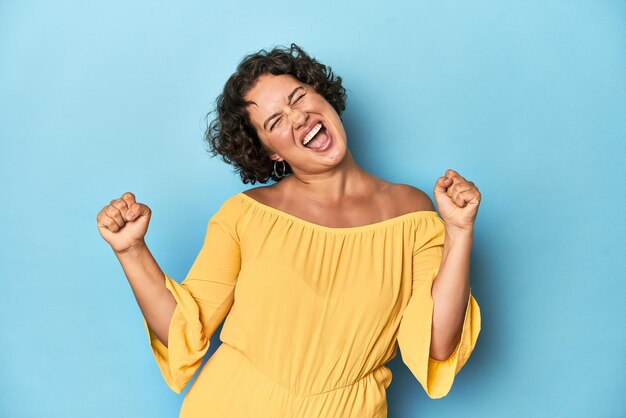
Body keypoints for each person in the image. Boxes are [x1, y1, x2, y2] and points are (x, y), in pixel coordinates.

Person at [96, 43, 482, 418]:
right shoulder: (246, 215)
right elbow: (183, 332)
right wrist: (130, 251)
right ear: (270, 152)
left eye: (297, 97)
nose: (297, 118)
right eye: (275, 121)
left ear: (323, 95)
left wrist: (459, 230)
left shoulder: (410, 213)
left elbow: (437, 341)